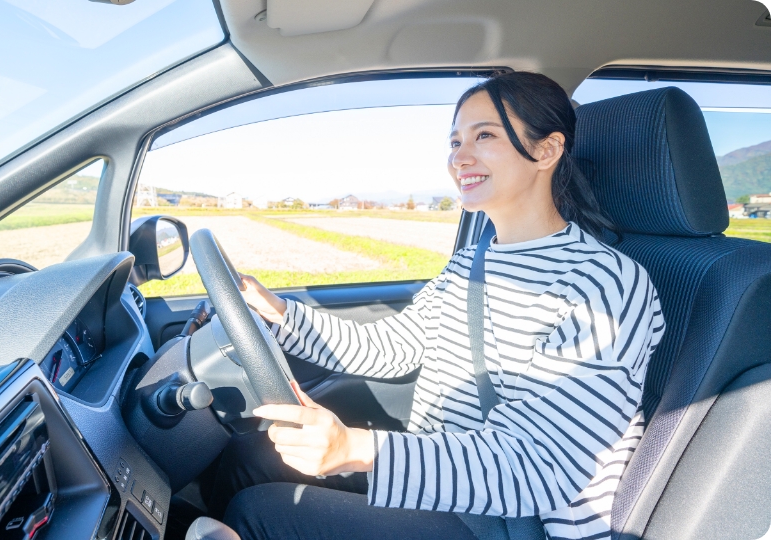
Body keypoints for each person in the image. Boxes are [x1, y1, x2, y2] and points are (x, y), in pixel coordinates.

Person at [210, 71, 665, 540]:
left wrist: (357, 447)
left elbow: (538, 466)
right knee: (249, 458)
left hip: (518, 520)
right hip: (454, 481)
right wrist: (277, 311)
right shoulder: (473, 261)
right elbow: (393, 348)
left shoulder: (603, 283)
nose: (458, 158)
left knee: (257, 511)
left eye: (484, 136)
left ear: (546, 151)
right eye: (454, 142)